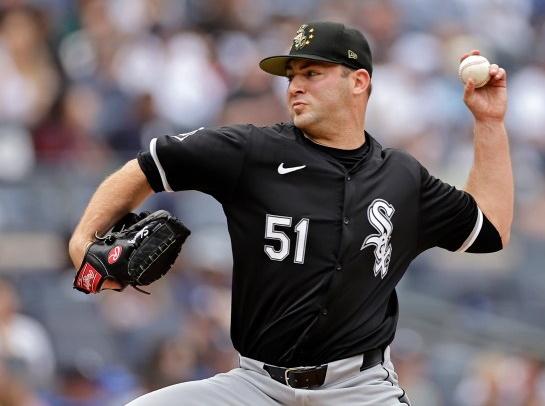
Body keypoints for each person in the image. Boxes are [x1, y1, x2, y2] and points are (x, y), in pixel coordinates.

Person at [68, 21, 513, 406]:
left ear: (358, 82)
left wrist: (489, 123)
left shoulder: (402, 177)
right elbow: (145, 167)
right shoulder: (254, 151)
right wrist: (83, 240)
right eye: (292, 75)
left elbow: (489, 227)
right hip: (255, 386)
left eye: (312, 73)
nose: (295, 85)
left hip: (358, 389)